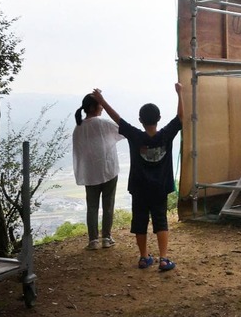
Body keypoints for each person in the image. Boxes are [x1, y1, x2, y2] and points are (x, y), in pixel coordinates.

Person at [93, 83, 183, 272]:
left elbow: (117, 119)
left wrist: (102, 101)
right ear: (158, 119)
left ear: (140, 120)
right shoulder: (166, 136)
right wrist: (179, 93)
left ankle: (143, 258)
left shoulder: (135, 136)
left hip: (139, 187)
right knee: (161, 221)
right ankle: (164, 259)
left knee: (140, 222)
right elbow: (180, 117)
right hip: (160, 188)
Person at [72, 93, 125, 250]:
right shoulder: (103, 123)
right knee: (108, 205)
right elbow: (122, 130)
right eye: (100, 104)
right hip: (108, 169)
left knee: (92, 206)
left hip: (90, 173)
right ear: (92, 107)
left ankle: (93, 240)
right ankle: (106, 238)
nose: (102, 107)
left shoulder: (78, 128)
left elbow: (79, 152)